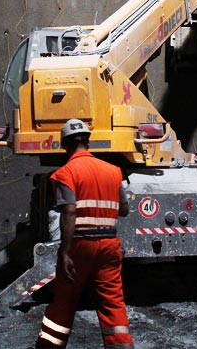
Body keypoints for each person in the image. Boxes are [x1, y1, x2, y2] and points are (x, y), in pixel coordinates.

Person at [35, 119, 134, 349]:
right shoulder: (113, 172)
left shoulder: (65, 174)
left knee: (64, 302)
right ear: (88, 142)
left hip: (80, 247)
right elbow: (124, 209)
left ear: (64, 145)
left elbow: (69, 212)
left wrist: (64, 252)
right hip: (109, 246)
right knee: (112, 302)